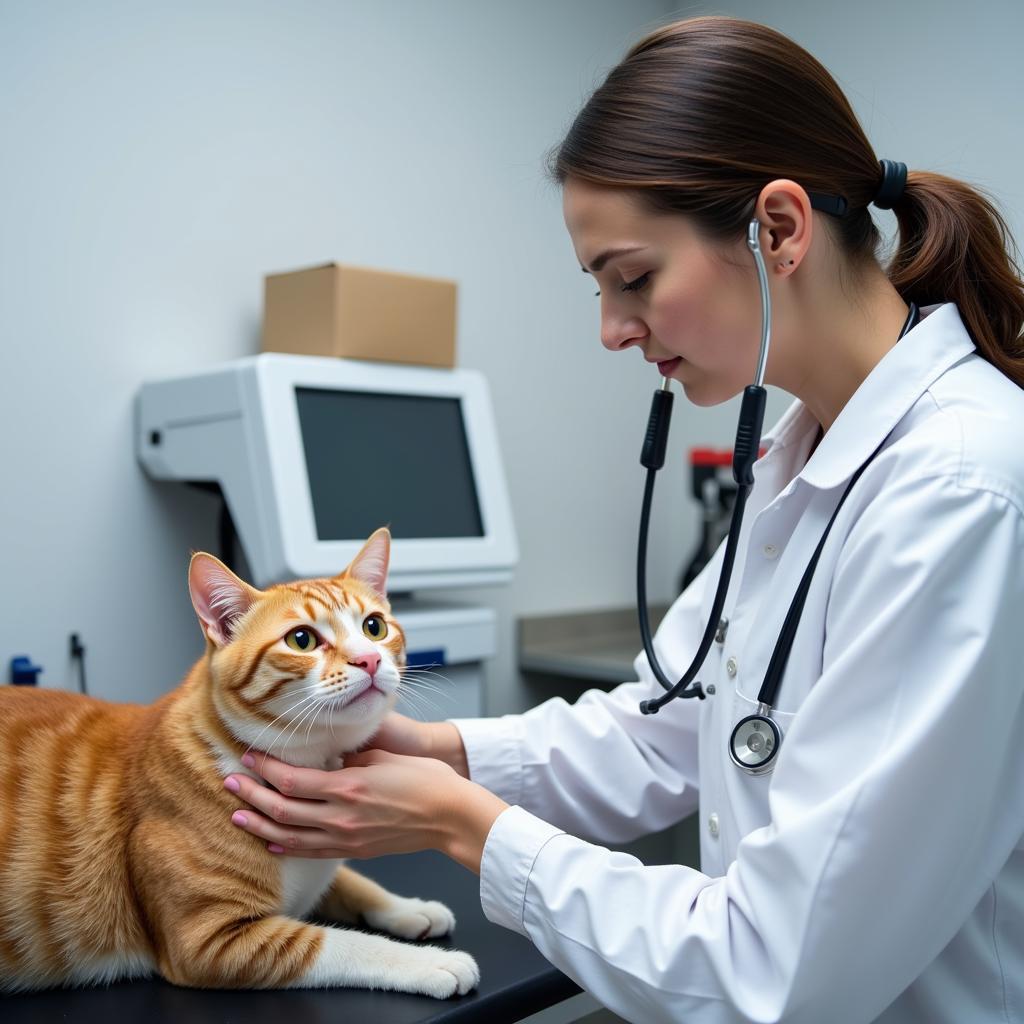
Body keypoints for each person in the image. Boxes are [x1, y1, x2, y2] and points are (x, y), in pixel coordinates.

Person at [223, 16, 1024, 1023]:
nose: (611, 329)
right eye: (600, 288)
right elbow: (660, 730)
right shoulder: (805, 456)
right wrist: (445, 757)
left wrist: (468, 826)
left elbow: (778, 969)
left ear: (777, 231)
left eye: (633, 278)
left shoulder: (956, 486)